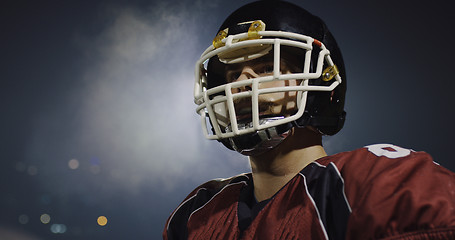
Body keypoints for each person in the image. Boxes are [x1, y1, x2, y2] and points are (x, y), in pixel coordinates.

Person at [163, 1, 455, 239]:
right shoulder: (197, 213)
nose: (241, 83)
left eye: (266, 68)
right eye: (232, 74)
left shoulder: (373, 183)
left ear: (320, 81)